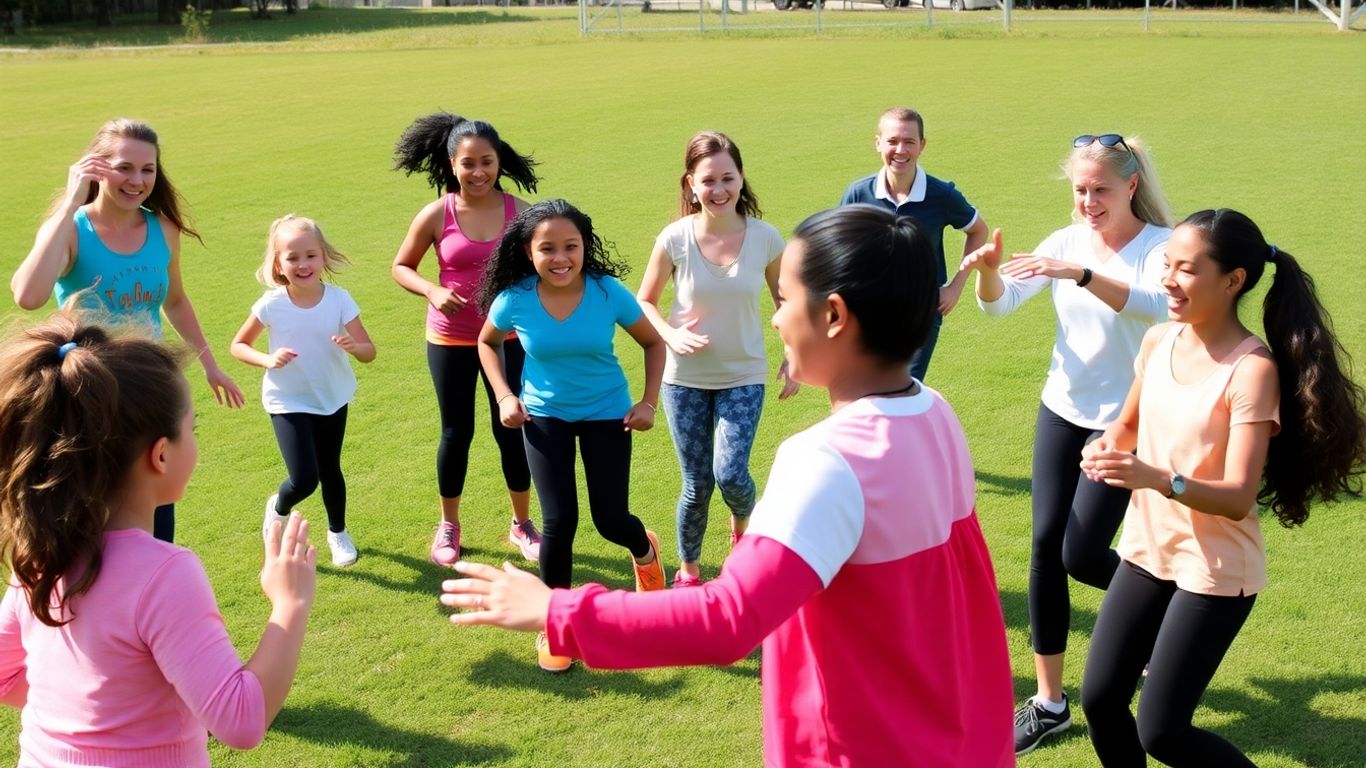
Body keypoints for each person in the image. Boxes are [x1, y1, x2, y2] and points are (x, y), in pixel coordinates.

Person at [446, 205, 1015, 765]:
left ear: (833, 316)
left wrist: (558, 611)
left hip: (859, 748)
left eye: (785, 300)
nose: (776, 319)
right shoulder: (936, 413)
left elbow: (728, 619)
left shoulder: (824, 461)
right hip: (959, 741)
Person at [1077, 209, 1366, 767]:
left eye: (1187, 269)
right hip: (1147, 550)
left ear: (1233, 280)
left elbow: (1237, 496)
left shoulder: (1251, 371)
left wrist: (1158, 478)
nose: (1168, 280)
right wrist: (1104, 446)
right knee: (1101, 699)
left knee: (1162, 732)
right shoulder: (1159, 340)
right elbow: (1126, 426)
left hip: (1214, 568)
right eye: (1167, 265)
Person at [0, 311, 317, 767]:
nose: (195, 441)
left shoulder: (38, 556)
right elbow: (241, 721)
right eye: (193, 429)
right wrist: (290, 603)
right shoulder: (165, 574)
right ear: (162, 455)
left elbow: (5, 675)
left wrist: (105, 712)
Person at [959, 132, 1175, 755]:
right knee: (1045, 548)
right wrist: (990, 275)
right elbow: (999, 308)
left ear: (1131, 184)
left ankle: (1162, 611)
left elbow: (1158, 308)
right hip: (1062, 410)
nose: (1087, 201)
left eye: (1100, 189)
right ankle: (1050, 703)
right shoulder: (1064, 241)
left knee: (1081, 553)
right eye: (1080, 190)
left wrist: (1081, 274)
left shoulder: (1162, 247)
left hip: (1125, 422)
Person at [10, 117, 245, 543]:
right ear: (95, 167)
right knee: (92, 534)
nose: (137, 181)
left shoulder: (163, 230)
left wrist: (211, 365)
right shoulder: (71, 230)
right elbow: (28, 295)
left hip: (150, 396)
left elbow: (175, 301)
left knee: (157, 529)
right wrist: (70, 201)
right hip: (89, 399)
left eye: (147, 169)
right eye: (124, 167)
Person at [473, 199, 668, 673]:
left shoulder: (607, 292)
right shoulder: (515, 299)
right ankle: (554, 625)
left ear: (584, 247)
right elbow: (487, 342)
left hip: (607, 413)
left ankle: (645, 551)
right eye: (547, 249)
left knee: (610, 519)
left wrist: (648, 402)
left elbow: (652, 341)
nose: (560, 258)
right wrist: (504, 395)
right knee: (559, 522)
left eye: (570, 246)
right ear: (528, 252)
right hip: (544, 416)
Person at [636, 131, 797, 587]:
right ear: (691, 184)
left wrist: (792, 353)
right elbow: (644, 300)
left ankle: (744, 528)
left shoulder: (765, 238)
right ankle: (688, 572)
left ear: (742, 178)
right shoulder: (675, 238)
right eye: (708, 180)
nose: (719, 189)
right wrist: (670, 333)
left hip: (743, 374)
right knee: (697, 483)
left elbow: (785, 300)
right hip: (684, 379)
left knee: (731, 474)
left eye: (728, 178)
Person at [391, 112, 542, 566]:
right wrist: (432, 290)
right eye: (468, 163)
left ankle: (522, 524)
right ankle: (449, 525)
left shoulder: (521, 213)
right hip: (450, 341)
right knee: (456, 433)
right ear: (452, 164)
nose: (478, 172)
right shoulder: (437, 213)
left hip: (507, 339)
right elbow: (401, 266)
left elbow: (545, 266)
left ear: (499, 162)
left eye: (487, 162)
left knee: (511, 427)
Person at [230, 215, 376, 568]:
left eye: (310, 255)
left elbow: (369, 351)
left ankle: (338, 533)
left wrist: (354, 347)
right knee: (304, 478)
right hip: (287, 399)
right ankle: (278, 508)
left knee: (330, 469)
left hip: (331, 396)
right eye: (292, 257)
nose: (303, 264)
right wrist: (268, 359)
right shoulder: (271, 304)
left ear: (323, 255)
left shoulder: (340, 299)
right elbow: (238, 345)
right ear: (278, 264)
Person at [838, 107, 989, 381]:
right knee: (865, 389)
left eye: (909, 141)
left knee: (903, 389)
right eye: (892, 141)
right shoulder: (858, 193)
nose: (900, 150)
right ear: (878, 144)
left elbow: (978, 231)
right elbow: (837, 247)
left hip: (921, 314)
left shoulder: (941, 195)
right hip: (868, 314)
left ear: (922, 145)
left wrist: (955, 287)